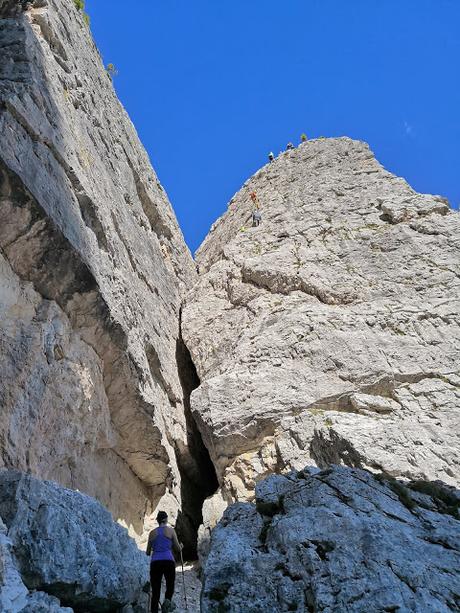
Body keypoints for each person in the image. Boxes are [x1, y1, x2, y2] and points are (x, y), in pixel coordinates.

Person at [147, 511, 182, 612]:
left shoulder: (152, 533)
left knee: (155, 590)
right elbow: (178, 549)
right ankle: (166, 608)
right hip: (168, 561)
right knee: (170, 586)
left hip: (155, 562)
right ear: (166, 519)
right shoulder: (171, 531)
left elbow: (148, 552)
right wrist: (181, 546)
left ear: (157, 521)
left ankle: (154, 611)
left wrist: (156, 547)